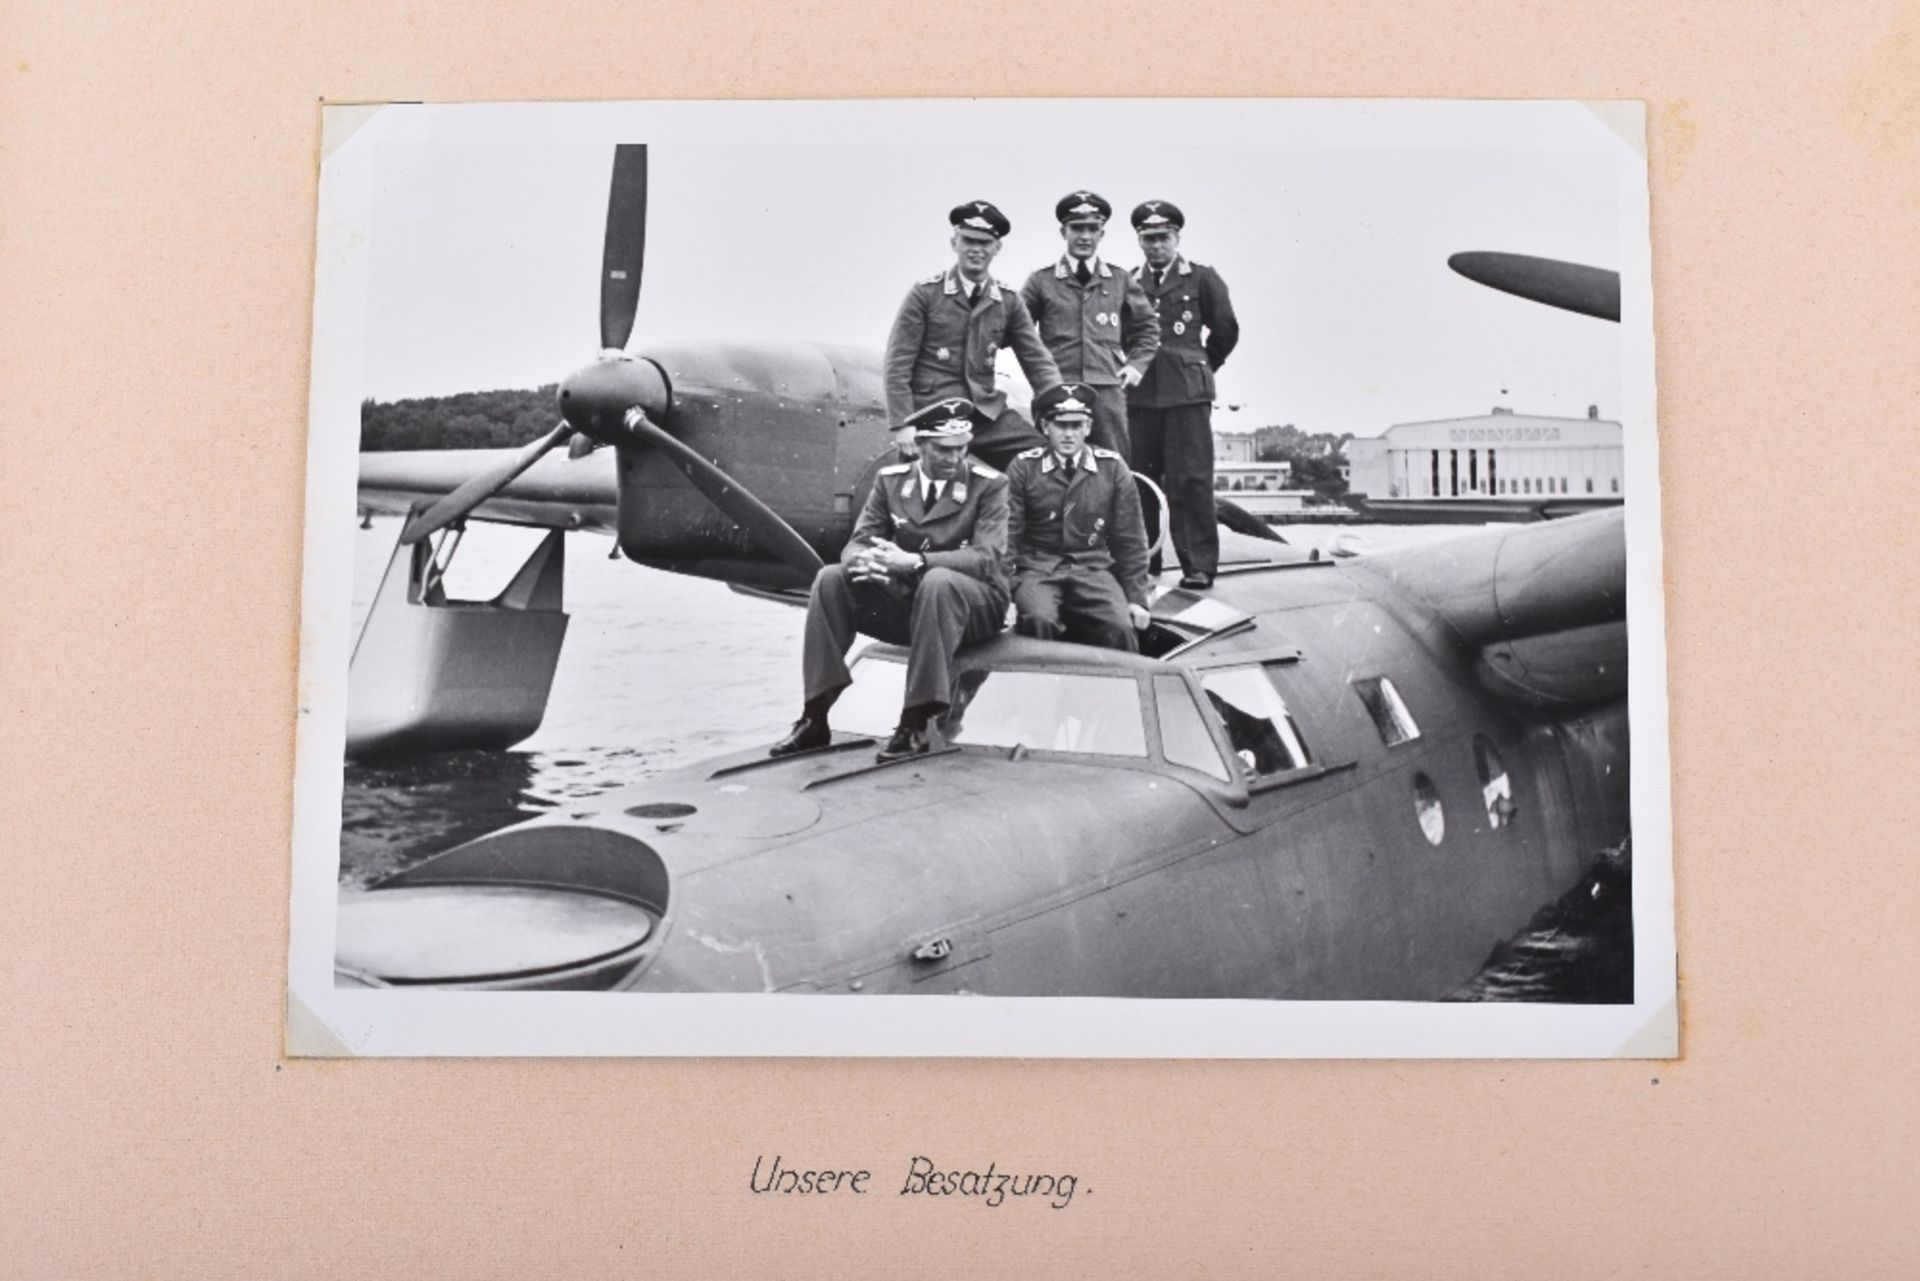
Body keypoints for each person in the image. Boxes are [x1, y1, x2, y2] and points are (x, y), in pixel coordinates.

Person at [770, 398, 1011, 763]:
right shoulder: (891, 482)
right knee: (831, 578)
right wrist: (867, 562)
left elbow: (988, 557)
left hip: (975, 606)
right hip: (918, 605)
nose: (955, 458)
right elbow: (859, 541)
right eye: (944, 450)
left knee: (938, 581)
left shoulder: (989, 485)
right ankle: (814, 716)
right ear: (921, 445)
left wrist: (914, 562)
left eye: (961, 449)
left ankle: (914, 721)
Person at [884, 200, 1061, 470]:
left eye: (985, 243)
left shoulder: (1008, 300)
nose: (976, 250)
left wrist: (1061, 407)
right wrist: (902, 424)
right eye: (968, 241)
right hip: (932, 414)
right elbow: (897, 364)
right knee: (927, 492)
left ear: (997, 248)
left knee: (1042, 463)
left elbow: (1037, 361)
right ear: (954, 243)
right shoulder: (925, 294)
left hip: (984, 415)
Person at [1126, 200, 1239, 589]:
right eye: (1149, 239)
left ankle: (1199, 566)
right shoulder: (1127, 281)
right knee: (1138, 479)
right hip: (1139, 396)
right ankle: (1144, 563)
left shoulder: (1203, 278)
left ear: (1177, 238)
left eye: (1164, 238)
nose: (1157, 246)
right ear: (1139, 240)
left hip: (1187, 395)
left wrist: (1202, 366)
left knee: (1191, 479)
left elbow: (1226, 329)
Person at [1005, 383, 1152, 652]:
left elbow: (1131, 538)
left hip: (1092, 567)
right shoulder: (1023, 467)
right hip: (1038, 568)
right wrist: (1003, 593)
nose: (1069, 434)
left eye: (1077, 425)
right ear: (1045, 426)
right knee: (1038, 620)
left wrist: (1137, 598)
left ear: (1089, 427)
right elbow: (1007, 537)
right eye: (1061, 425)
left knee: (1120, 626)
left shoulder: (1112, 467)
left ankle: (1115, 694)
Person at [1018, 190, 1160, 460]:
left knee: (1112, 460)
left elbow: (1148, 328)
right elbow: (1017, 329)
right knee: (1052, 462)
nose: (1085, 236)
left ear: (1101, 234)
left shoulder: (1120, 280)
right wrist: (1039, 372)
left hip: (1106, 388)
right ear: (1063, 232)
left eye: (1092, 229)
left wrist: (1135, 366)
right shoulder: (1041, 281)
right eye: (1077, 228)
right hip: (1056, 384)